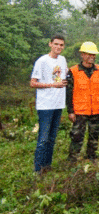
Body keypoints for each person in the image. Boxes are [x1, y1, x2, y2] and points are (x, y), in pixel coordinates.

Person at [66, 42, 99, 162]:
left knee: (94, 135)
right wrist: (70, 111)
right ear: (82, 55)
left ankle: (91, 157)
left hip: (96, 109)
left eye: (94, 54)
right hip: (80, 110)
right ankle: (73, 159)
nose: (92, 56)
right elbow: (69, 93)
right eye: (89, 54)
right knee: (77, 136)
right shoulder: (73, 71)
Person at [30, 34, 68, 173]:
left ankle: (47, 166)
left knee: (52, 138)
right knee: (43, 139)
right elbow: (33, 83)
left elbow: (64, 76)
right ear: (50, 44)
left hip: (58, 104)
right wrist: (52, 85)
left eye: (61, 45)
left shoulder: (63, 60)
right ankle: (38, 169)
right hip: (45, 105)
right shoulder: (42, 61)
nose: (58, 47)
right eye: (56, 44)